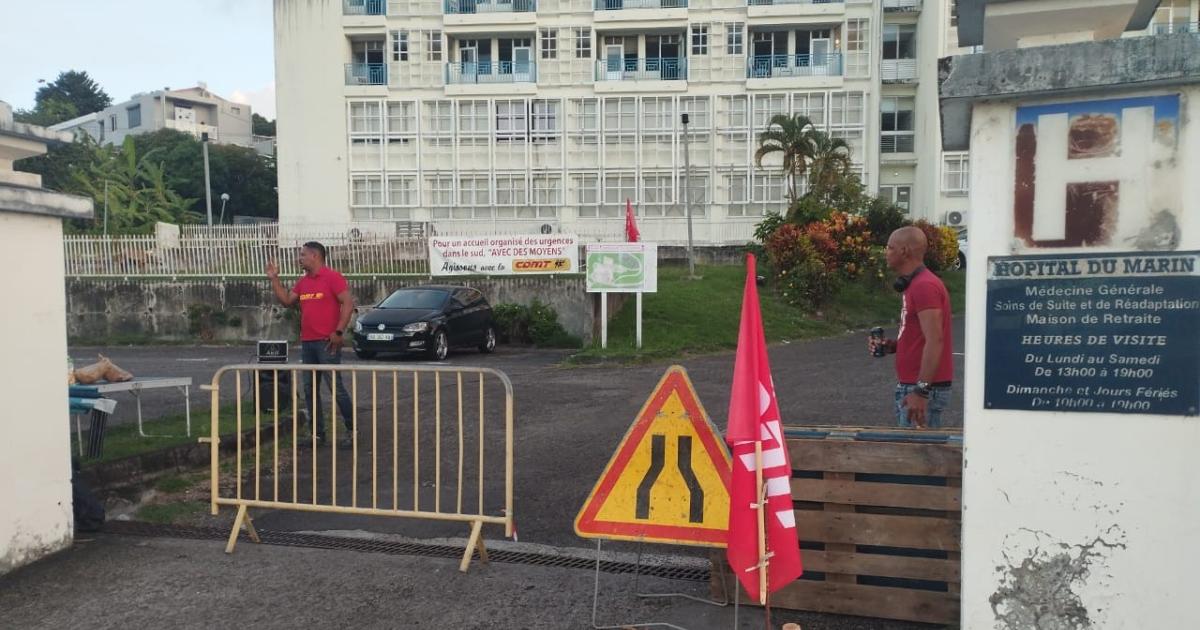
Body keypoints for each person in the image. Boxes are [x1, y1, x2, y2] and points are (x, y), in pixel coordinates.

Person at [266, 242, 356, 445]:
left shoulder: (332, 277)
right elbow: (287, 301)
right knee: (309, 389)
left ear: (315, 256)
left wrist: (339, 331)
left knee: (336, 388)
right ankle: (317, 434)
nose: (299, 258)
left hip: (327, 342)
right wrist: (274, 279)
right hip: (308, 343)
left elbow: (348, 304)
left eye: (302, 255)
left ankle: (352, 431)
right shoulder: (303, 281)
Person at [867, 226, 954, 429]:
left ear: (904, 251)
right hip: (914, 386)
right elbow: (922, 337)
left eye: (889, 248)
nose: (885, 253)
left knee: (918, 457)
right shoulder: (914, 285)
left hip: (922, 390)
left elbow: (935, 339)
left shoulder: (924, 286)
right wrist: (892, 346)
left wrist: (921, 391)